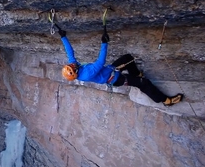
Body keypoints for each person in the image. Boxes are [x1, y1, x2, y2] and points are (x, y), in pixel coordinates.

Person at [55, 24, 183, 106]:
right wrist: (104, 43)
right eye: (73, 67)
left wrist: (63, 37)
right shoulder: (87, 74)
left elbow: (70, 53)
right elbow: (100, 62)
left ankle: (137, 75)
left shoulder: (75, 68)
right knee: (144, 84)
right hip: (116, 78)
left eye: (71, 66)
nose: (73, 65)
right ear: (75, 73)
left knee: (127, 58)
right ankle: (166, 101)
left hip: (111, 70)